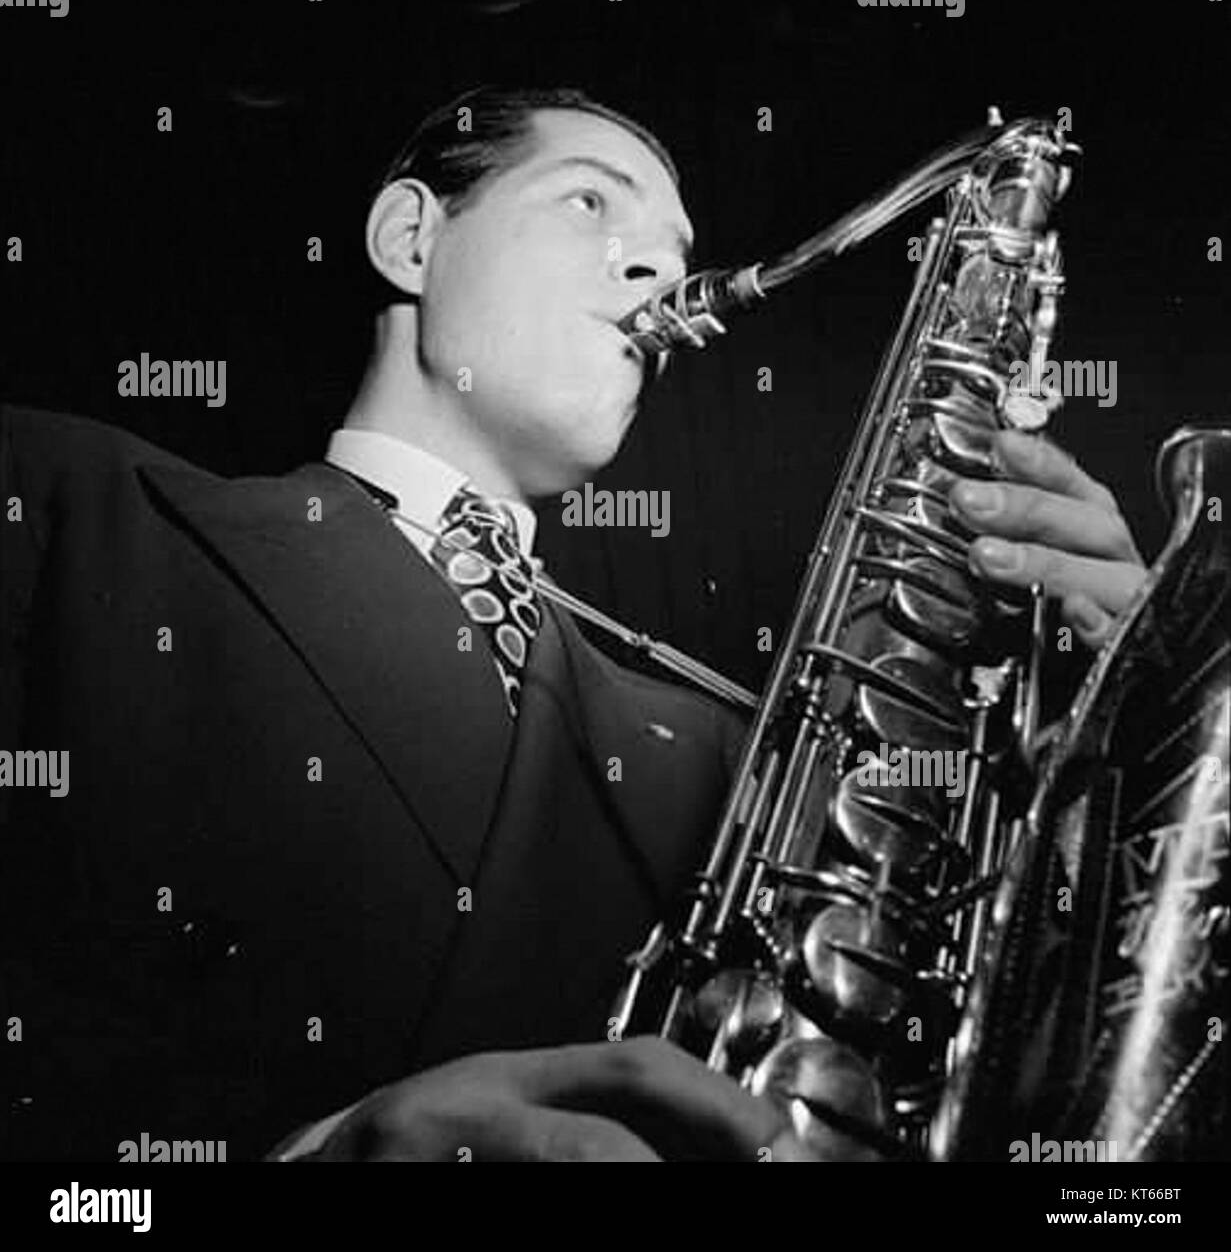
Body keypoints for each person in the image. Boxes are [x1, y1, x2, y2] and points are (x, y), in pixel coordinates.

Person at [0, 87, 1146, 1162]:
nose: (658, 266)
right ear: (410, 238)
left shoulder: (748, 762)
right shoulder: (55, 505)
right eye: (590, 200)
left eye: (682, 250)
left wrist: (1110, 755)